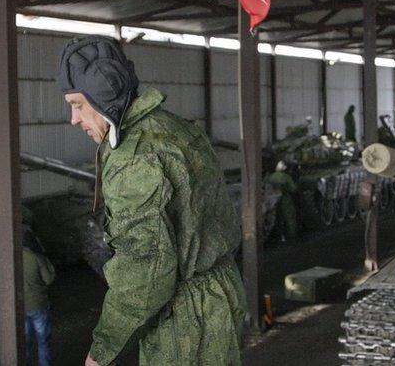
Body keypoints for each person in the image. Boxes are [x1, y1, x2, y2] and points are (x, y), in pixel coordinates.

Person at [56, 36, 246, 366]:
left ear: (104, 96)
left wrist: (101, 351)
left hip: (187, 318)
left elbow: (144, 267)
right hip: (219, 295)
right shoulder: (170, 127)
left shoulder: (134, 158)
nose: (73, 119)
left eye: (77, 105)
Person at [23, 228, 56, 366]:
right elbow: (48, 279)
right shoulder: (37, 258)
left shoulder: (12, 258)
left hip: (21, 306)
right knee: (43, 341)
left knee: (24, 343)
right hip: (38, 305)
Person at [265, 160, 299, 241]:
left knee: (277, 219)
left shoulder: (270, 176)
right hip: (285, 199)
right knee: (289, 217)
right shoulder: (285, 176)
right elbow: (293, 189)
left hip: (273, 201)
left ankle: (278, 237)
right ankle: (292, 237)